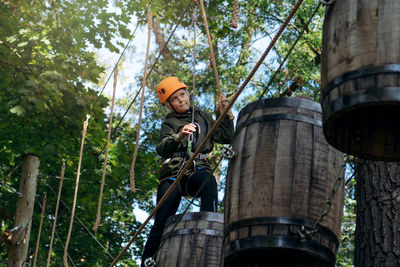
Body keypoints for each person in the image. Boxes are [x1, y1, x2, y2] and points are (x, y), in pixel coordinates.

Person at [141, 76, 234, 266]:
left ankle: (211, 229)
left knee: (208, 182)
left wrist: (226, 116)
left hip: (196, 171)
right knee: (162, 221)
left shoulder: (202, 117)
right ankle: (146, 261)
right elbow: (162, 147)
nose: (181, 100)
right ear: (169, 105)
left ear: (188, 94)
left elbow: (225, 136)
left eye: (183, 95)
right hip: (174, 174)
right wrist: (178, 136)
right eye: (175, 99)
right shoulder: (170, 123)